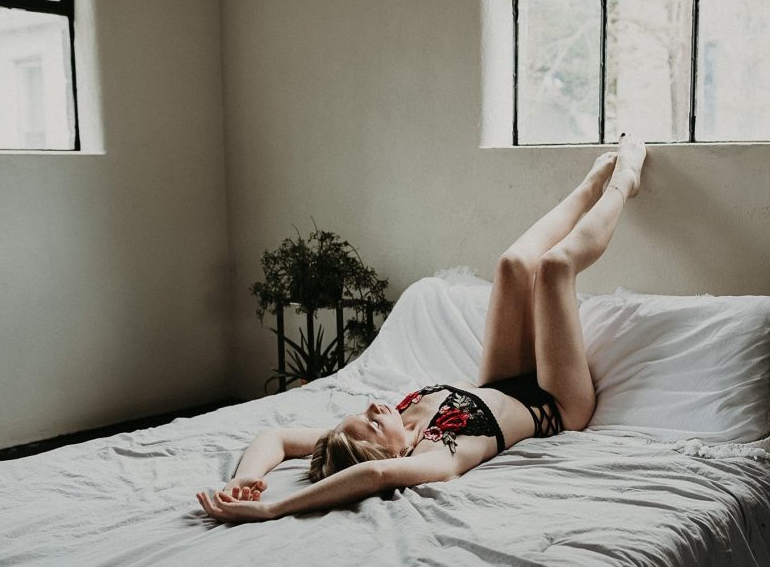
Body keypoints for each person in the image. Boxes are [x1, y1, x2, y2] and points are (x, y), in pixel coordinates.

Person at [196, 134, 647, 523]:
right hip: (558, 404)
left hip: (499, 382)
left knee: (511, 265)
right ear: (390, 453)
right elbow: (374, 475)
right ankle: (625, 180)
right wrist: (274, 508)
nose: (375, 407)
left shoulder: (360, 438)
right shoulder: (434, 457)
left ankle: (589, 187)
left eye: (365, 413)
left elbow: (273, 436)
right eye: (373, 424)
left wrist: (246, 479)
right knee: (553, 269)